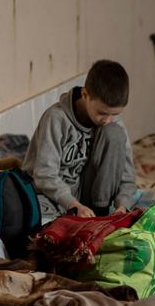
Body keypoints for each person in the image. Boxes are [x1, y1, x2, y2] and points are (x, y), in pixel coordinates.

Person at [22, 59, 137, 221]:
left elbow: (127, 177)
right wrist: (74, 205)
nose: (107, 120)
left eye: (114, 114)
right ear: (85, 95)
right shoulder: (56, 118)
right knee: (28, 215)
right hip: (49, 195)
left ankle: (99, 213)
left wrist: (122, 206)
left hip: (86, 200)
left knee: (115, 133)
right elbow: (44, 175)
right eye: (102, 113)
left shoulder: (112, 122)